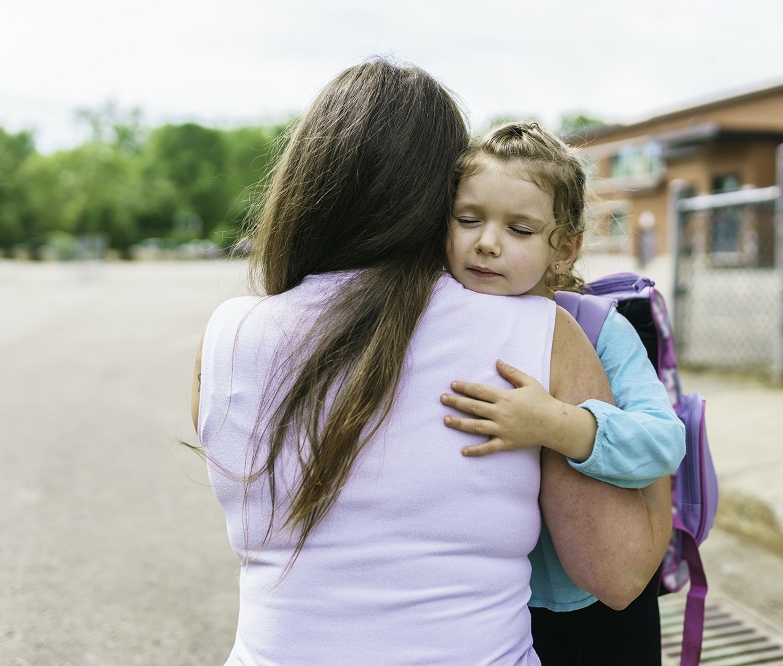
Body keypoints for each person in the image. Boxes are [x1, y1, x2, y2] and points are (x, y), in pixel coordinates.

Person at [189, 59, 672, 665]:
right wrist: (652, 471)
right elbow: (617, 572)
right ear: (438, 196)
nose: (487, 239)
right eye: (468, 215)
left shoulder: (227, 336)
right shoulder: (540, 332)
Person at [438, 121, 685, 665]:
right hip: (500, 600)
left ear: (565, 248)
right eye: (468, 219)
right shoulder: (442, 322)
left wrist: (556, 424)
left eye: (520, 229)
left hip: (598, 607)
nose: (486, 242)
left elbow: (664, 441)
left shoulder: (598, 328)